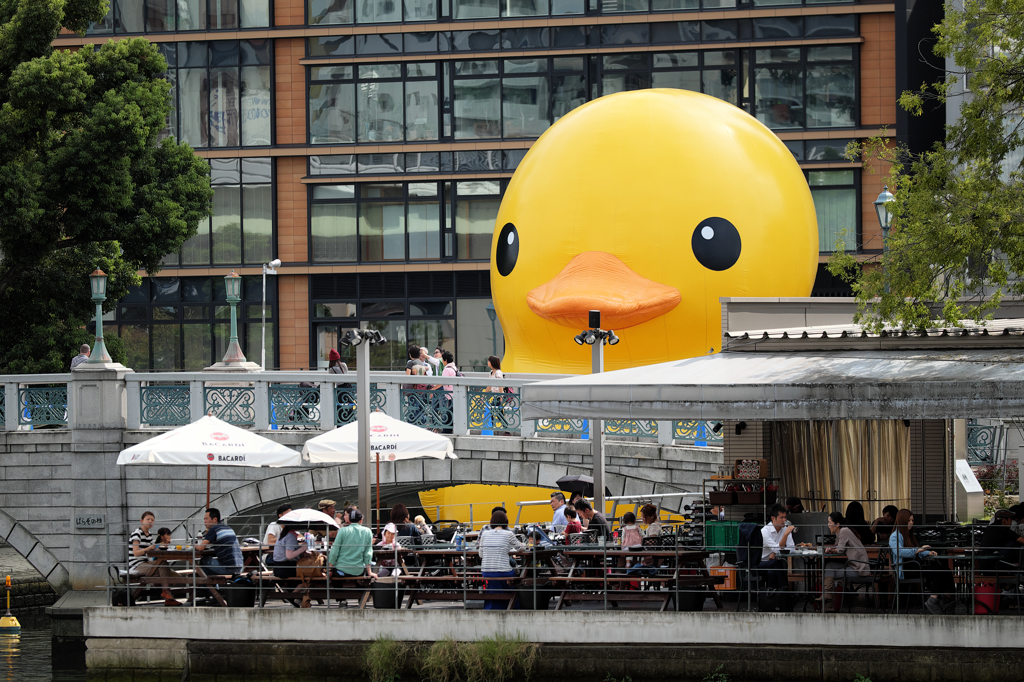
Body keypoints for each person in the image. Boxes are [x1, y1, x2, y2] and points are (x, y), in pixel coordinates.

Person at [889, 508, 953, 614]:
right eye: (909, 520)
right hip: (905, 569)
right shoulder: (895, 536)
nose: (911, 523)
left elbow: (916, 551)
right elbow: (899, 552)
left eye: (912, 520)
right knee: (937, 571)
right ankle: (934, 600)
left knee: (946, 570)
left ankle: (949, 601)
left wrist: (926, 552)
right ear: (902, 520)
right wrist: (919, 550)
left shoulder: (908, 535)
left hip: (914, 565)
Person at [821, 512, 870, 609]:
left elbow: (840, 550)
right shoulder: (842, 531)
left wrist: (833, 550)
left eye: (830, 522)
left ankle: (829, 604)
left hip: (858, 568)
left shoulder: (844, 531)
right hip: (854, 565)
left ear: (837, 524)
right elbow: (839, 548)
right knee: (829, 566)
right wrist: (833, 549)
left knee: (831, 573)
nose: (828, 525)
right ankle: (828, 598)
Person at [129, 511, 179, 606]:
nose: (150, 521)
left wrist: (163, 546)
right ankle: (166, 593)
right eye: (148, 519)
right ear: (141, 521)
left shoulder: (149, 534)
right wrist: (149, 548)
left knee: (164, 565)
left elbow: (154, 549)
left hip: (146, 563)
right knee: (164, 567)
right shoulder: (137, 534)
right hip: (136, 565)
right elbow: (136, 553)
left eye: (152, 520)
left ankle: (164, 593)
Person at [479, 510, 522, 609]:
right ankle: (511, 606)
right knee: (515, 577)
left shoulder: (485, 534)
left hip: (486, 571)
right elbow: (520, 549)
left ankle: (493, 606)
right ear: (505, 521)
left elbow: (481, 554)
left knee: (494, 582)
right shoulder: (508, 534)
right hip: (503, 571)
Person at [328, 509, 376, 579]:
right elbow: (368, 553)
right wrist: (369, 572)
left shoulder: (342, 531)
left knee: (334, 579)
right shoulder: (368, 531)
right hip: (358, 571)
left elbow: (334, 551)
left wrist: (329, 569)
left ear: (349, 521)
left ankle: (339, 590)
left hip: (341, 570)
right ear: (361, 520)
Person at [195, 508, 243, 577]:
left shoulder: (213, 529)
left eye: (206, 519)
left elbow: (200, 548)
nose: (204, 521)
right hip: (240, 567)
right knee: (207, 569)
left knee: (204, 560)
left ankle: (208, 587)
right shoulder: (228, 528)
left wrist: (194, 545)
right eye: (204, 519)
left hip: (228, 568)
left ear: (214, 519)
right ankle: (211, 587)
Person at [759, 503, 796, 590]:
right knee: (778, 564)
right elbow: (776, 548)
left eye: (785, 517)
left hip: (775, 562)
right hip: (762, 562)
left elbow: (792, 548)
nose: (784, 520)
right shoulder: (765, 531)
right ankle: (785, 591)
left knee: (773, 571)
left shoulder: (784, 528)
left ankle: (776, 598)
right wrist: (785, 535)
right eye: (781, 517)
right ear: (773, 518)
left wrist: (774, 553)